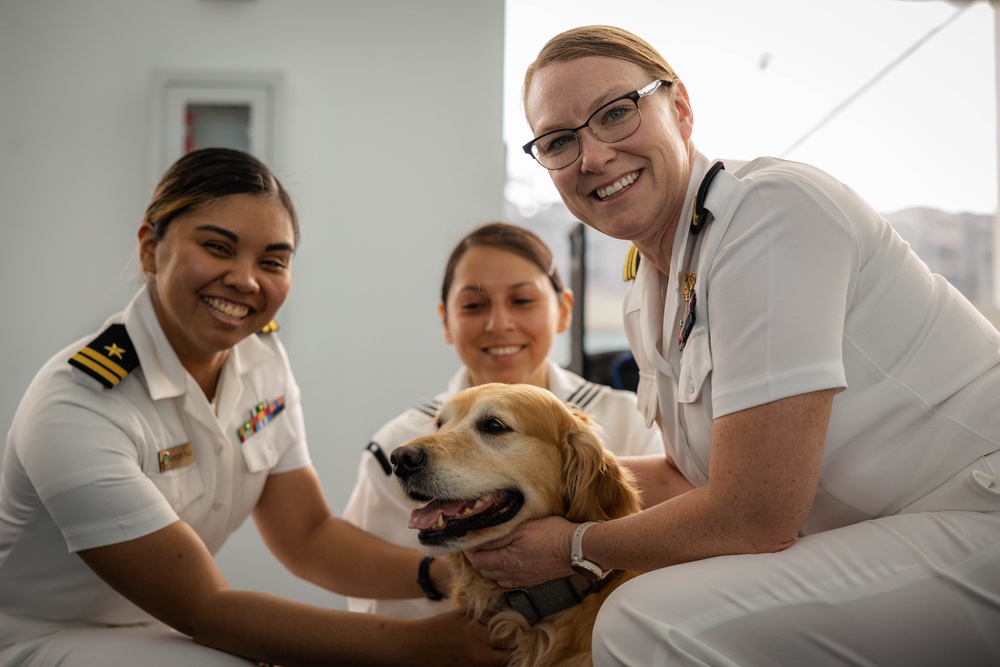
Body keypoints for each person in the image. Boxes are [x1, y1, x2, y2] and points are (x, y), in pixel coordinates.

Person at [465, 25, 1000, 666]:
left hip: (974, 511)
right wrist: (494, 483)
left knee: (645, 620)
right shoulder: (648, 282)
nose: (594, 156)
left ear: (681, 108)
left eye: (615, 114)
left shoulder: (769, 212)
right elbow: (684, 477)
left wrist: (572, 545)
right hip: (885, 530)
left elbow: (755, 515)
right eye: (559, 142)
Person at [0, 148, 507, 667]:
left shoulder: (261, 359)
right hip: (35, 634)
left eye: (273, 262)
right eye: (218, 247)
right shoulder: (79, 402)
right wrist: (422, 646)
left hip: (159, 627)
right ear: (150, 249)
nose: (246, 279)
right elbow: (207, 609)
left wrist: (451, 573)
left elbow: (308, 538)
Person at [342, 221, 662, 618]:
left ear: (563, 311)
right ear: (446, 321)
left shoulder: (633, 420)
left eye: (523, 301)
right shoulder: (399, 440)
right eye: (474, 306)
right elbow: (375, 607)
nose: (499, 324)